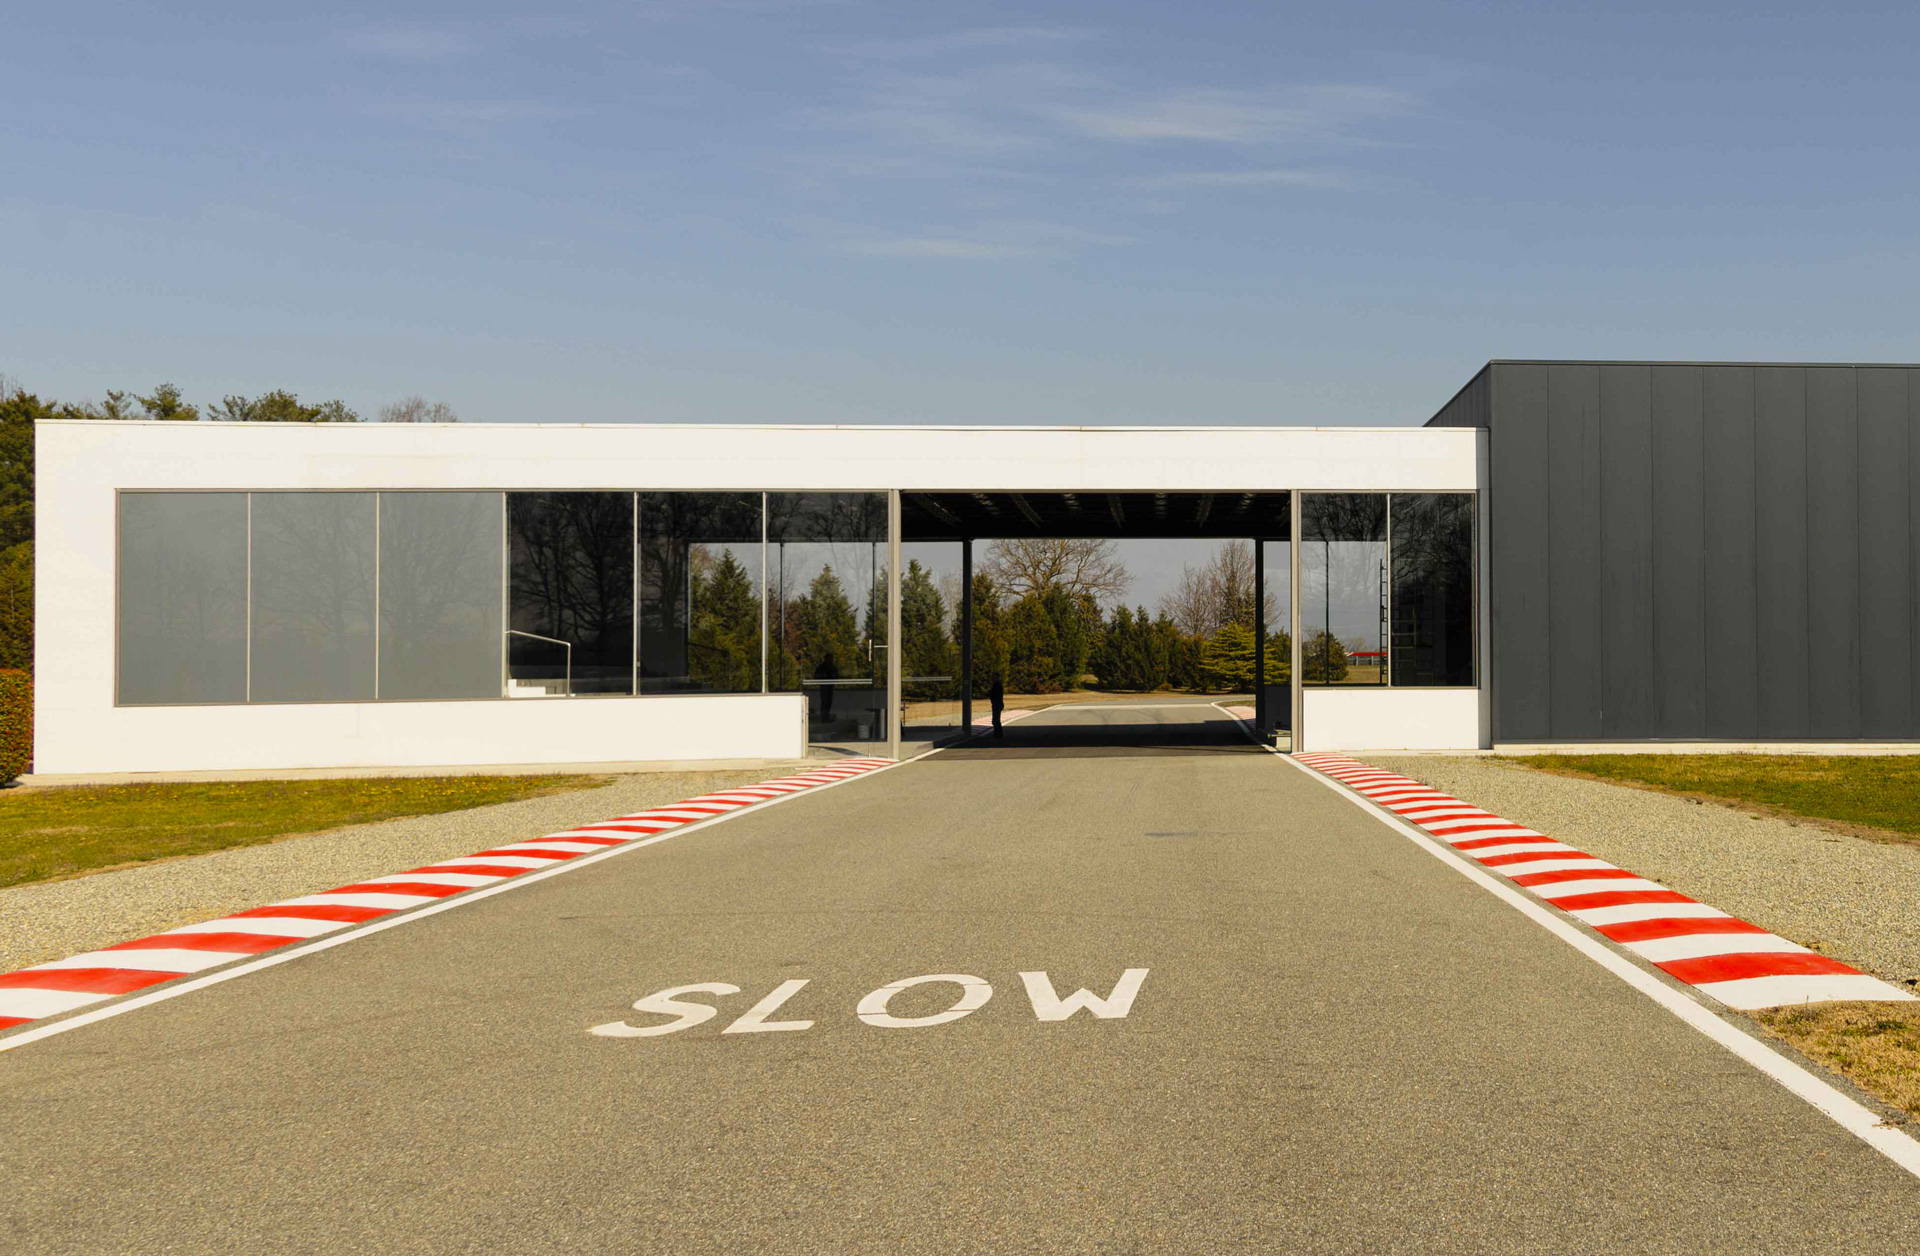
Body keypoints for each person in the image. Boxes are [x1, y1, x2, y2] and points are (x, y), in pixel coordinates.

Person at [989, 672, 1005, 739]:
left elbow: (994, 694)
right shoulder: (998, 684)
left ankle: (998, 734)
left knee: (996, 720)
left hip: (997, 704)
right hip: (997, 703)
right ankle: (997, 733)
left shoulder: (997, 684)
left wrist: (989, 694)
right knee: (996, 720)